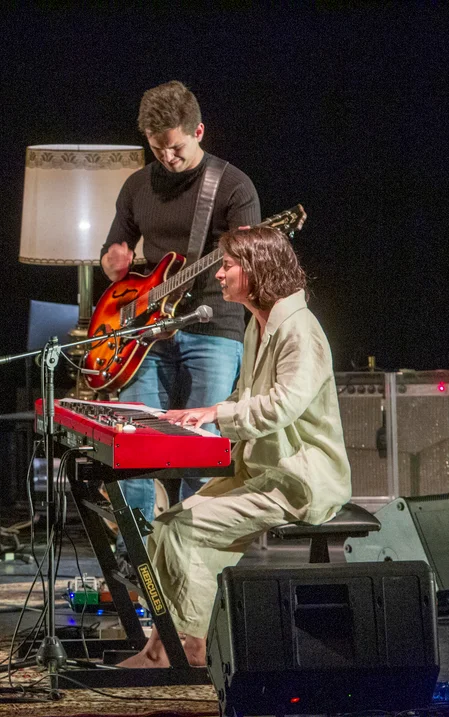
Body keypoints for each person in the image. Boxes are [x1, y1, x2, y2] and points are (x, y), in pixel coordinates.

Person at [118, 226, 352, 668]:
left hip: (298, 480)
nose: (219, 275)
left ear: (256, 269)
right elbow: (246, 396)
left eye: (227, 266)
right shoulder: (257, 325)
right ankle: (166, 646)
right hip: (261, 469)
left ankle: (187, 649)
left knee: (185, 529)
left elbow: (281, 405)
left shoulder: (300, 330)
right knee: (166, 525)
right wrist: (197, 416)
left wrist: (215, 415)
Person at [100, 80, 260, 521]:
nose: (168, 158)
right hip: (147, 332)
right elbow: (113, 254)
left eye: (176, 148)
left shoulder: (233, 187)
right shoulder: (137, 185)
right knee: (133, 443)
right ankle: (137, 549)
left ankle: (192, 547)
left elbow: (250, 266)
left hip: (213, 326)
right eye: (158, 149)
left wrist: (244, 257)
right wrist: (112, 261)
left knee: (200, 451)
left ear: (199, 132)